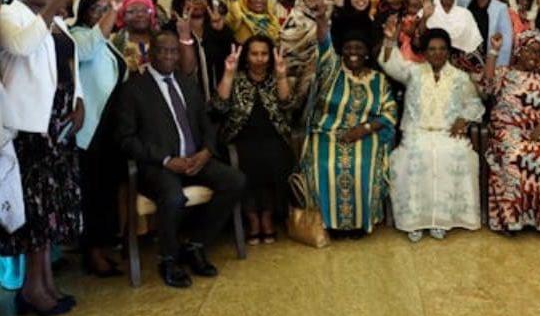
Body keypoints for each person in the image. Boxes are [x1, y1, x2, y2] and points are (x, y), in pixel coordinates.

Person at [115, 29, 245, 288]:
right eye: (163, 50)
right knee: (173, 196)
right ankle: (168, 259)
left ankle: (196, 244)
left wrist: (206, 151)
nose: (169, 56)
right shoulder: (133, 89)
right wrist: (165, 160)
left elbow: (206, 124)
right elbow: (125, 139)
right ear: (151, 53)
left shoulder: (187, 83)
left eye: (174, 51)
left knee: (235, 180)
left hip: (196, 160)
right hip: (159, 166)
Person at [0, 0, 88, 315]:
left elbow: (70, 66)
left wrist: (79, 101)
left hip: (60, 125)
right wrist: (55, 3)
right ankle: (31, 288)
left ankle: (46, 282)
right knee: (36, 210)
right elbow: (21, 46)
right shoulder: (8, 15)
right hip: (29, 128)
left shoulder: (59, 23)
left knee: (53, 208)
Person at [380, 21, 484, 242]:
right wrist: (390, 40)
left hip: (447, 133)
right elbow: (391, 64)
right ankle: (414, 221)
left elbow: (474, 104)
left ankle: (441, 220)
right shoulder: (414, 72)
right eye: (432, 49)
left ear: (448, 51)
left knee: (456, 154)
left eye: (442, 49)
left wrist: (463, 119)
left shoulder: (460, 77)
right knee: (415, 156)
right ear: (425, 52)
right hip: (417, 133)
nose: (437, 53)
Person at [299, 18, 397, 239]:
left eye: (359, 48)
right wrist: (321, 18)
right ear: (341, 51)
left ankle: (360, 223)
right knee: (324, 164)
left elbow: (390, 111)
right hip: (327, 133)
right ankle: (327, 223)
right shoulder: (331, 71)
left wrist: (365, 128)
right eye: (348, 48)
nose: (353, 52)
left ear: (367, 53)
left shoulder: (379, 80)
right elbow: (324, 44)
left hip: (365, 134)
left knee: (363, 164)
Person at [482, 30, 540, 234]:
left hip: (538, 130)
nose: (534, 56)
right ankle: (511, 220)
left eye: (539, 52)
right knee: (516, 156)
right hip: (507, 131)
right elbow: (486, 87)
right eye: (530, 51)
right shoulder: (504, 73)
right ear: (519, 51)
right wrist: (494, 52)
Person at [214, 36, 295, 246]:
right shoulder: (237, 78)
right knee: (247, 159)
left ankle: (267, 216)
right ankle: (252, 219)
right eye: (254, 54)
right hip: (239, 138)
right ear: (247, 57)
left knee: (275, 156)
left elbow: (288, 105)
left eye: (264, 54)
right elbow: (218, 107)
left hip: (273, 136)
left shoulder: (275, 77)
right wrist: (228, 74)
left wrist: (282, 76)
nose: (259, 58)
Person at [71, 0, 127, 277]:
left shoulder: (107, 42)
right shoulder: (77, 35)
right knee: (93, 193)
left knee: (106, 191)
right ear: (84, 13)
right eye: (98, 9)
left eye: (108, 8)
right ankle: (92, 253)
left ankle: (103, 247)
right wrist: (113, 12)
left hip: (110, 127)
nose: (105, 14)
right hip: (91, 128)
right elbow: (87, 50)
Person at [169, 0, 233, 104]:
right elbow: (185, 69)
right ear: (181, 3)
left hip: (219, 99)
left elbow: (231, 55)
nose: (198, 2)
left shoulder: (217, 28)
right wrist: (184, 35)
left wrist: (221, 31)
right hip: (187, 100)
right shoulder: (171, 30)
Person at [279, 0, 327, 107]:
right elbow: (287, 44)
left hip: (320, 69)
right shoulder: (295, 17)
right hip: (294, 68)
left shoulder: (327, 16)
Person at [424, 0, 484, 73]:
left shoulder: (465, 14)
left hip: (463, 66)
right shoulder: (427, 11)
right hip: (432, 65)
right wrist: (424, 18)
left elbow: (476, 45)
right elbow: (418, 41)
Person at [458, 0, 513, 67]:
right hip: (462, 63)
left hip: (488, 65)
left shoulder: (501, 8)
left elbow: (506, 42)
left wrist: (498, 69)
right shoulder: (463, 3)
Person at [111, 0, 156, 74]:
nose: (140, 15)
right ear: (123, 16)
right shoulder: (112, 41)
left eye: (145, 11)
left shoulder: (161, 40)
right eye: (132, 12)